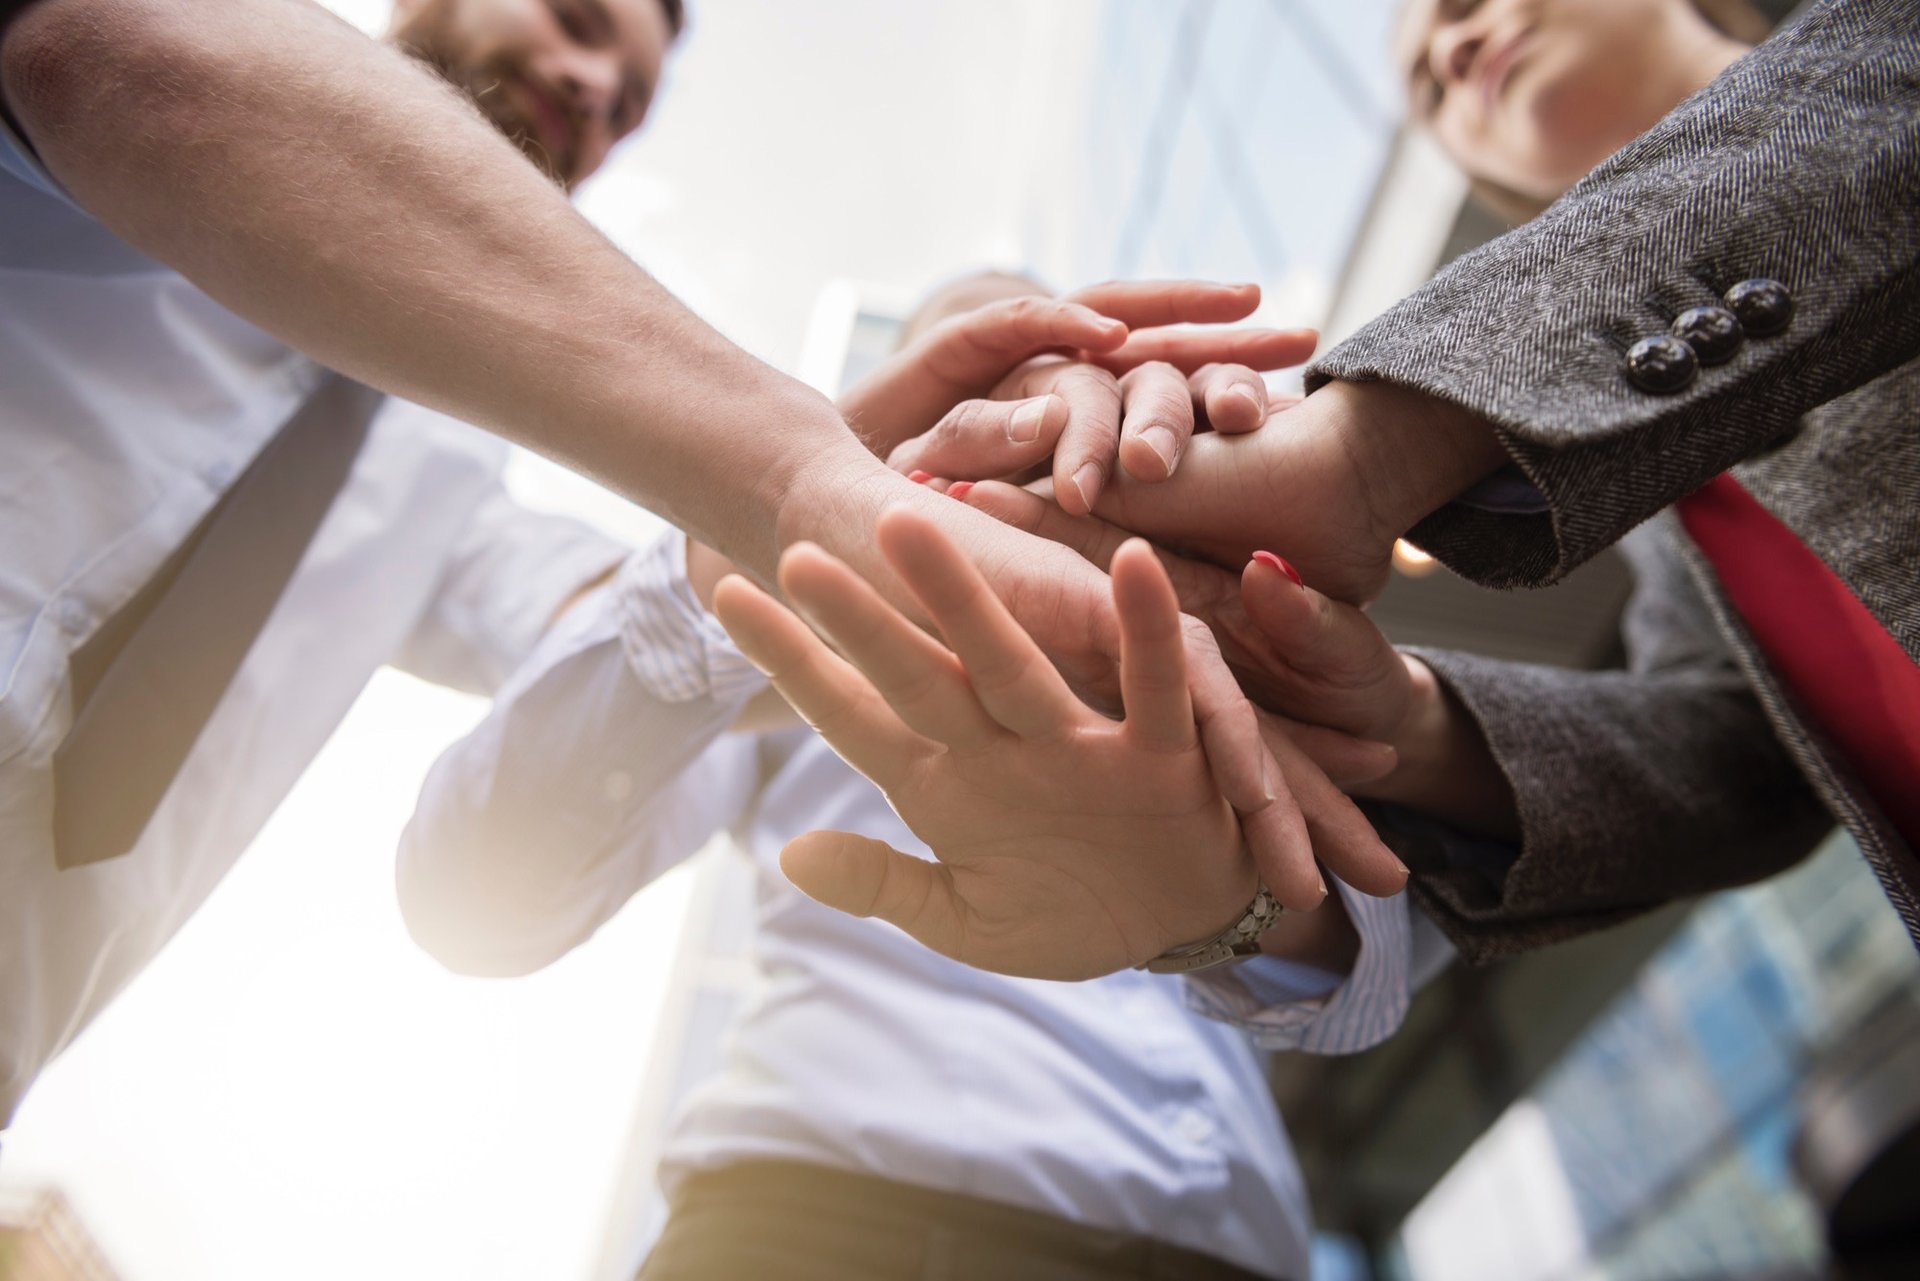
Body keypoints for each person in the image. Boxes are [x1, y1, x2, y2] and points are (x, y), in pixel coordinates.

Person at [0, 0, 1349, 1125]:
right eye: (581, 20)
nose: (595, 90)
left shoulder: (442, 484)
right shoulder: (150, 81)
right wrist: (795, 480)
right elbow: (99, 53)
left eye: (631, 101)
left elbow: (633, 639)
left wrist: (953, 521)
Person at [394, 294, 1440, 1278]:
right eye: (981, 392)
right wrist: (726, 559)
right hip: (823, 1227)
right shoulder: (781, 646)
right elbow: (481, 902)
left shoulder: (1220, 629)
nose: (1024, 421)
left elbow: (1372, 975)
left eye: (1070, 382)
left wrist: (1234, 903)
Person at [926, 0, 1919, 962]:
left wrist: (1365, 456)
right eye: (1424, 92)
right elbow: (1749, 772)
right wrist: (1403, 722)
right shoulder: (1670, 492)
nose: (1451, 52)